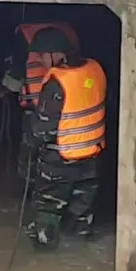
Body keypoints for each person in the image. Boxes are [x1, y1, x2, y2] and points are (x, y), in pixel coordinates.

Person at [26, 31, 106, 251]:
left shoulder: (56, 83)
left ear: (55, 55)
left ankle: (45, 259)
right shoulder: (95, 69)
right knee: (81, 212)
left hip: (59, 160)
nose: (40, 60)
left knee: (47, 210)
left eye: (42, 55)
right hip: (92, 157)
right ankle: (77, 256)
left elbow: (42, 129)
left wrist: (30, 145)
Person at [0, 22, 80, 200]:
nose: (39, 59)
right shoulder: (68, 31)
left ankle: (29, 194)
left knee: (32, 151)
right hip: (70, 109)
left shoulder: (24, 36)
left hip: (38, 107)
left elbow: (16, 73)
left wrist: (5, 89)